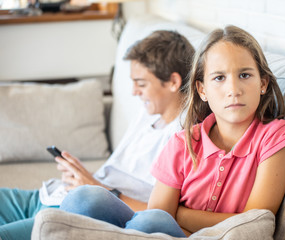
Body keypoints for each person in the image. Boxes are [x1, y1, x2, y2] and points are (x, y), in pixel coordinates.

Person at [60, 25, 285, 238]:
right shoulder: (184, 142)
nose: (233, 89)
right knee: (83, 198)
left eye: (244, 75)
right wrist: (171, 217)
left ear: (263, 83)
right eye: (219, 78)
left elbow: (253, 221)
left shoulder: (274, 137)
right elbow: (158, 216)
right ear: (202, 89)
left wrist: (178, 214)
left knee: (151, 221)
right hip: (162, 234)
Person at [0, 30, 195, 240]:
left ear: (174, 82)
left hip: (72, 213)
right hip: (51, 196)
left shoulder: (182, 138)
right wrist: (86, 178)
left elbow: (158, 213)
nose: (133, 92)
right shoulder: (148, 114)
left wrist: (100, 190)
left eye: (141, 83)